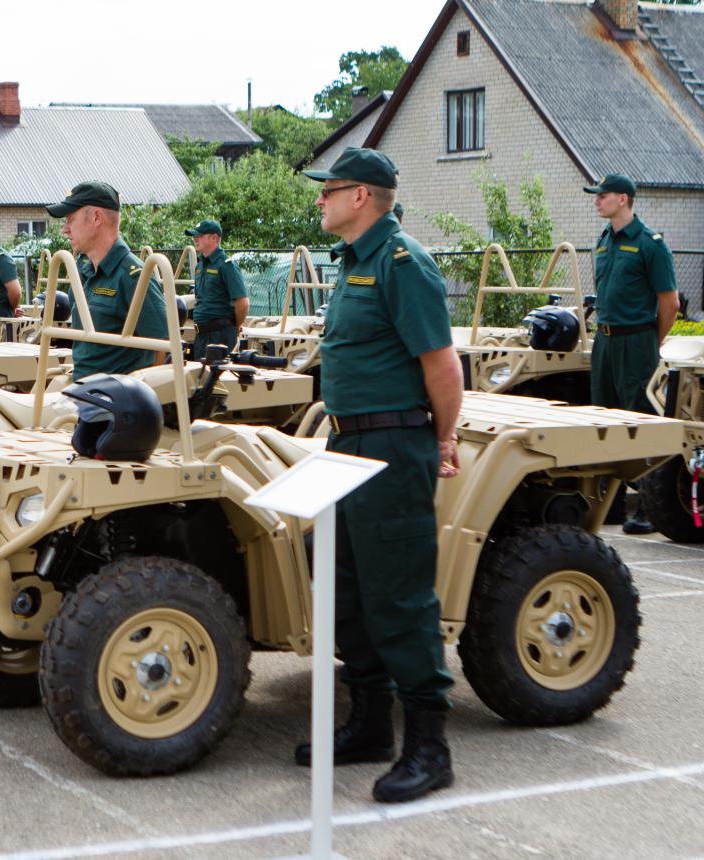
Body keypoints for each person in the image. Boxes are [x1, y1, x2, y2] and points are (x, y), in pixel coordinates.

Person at [299, 146, 461, 804]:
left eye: (328, 191)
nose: (321, 201)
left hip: (393, 446)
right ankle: (370, 723)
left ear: (360, 196)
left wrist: (444, 438)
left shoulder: (401, 263)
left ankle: (430, 743)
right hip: (346, 445)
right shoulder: (352, 264)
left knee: (398, 594)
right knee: (341, 583)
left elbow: (442, 366)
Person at [583, 172, 679, 534]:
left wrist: (651, 341)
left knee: (637, 418)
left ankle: (645, 506)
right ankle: (612, 503)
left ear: (622, 199)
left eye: (602, 195)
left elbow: (669, 302)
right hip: (605, 341)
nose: (597, 200)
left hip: (636, 340)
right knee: (603, 418)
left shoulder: (650, 243)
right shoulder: (604, 240)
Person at [47, 181, 167, 380]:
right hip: (81, 388)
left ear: (96, 218)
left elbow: (162, 346)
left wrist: (135, 394)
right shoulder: (83, 271)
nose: (65, 230)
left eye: (71, 219)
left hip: (114, 399)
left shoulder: (134, 276)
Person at [186, 219, 248, 357]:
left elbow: (242, 302)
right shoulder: (200, 266)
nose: (195, 239)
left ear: (214, 238)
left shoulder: (226, 265)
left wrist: (235, 326)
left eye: (200, 236)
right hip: (202, 335)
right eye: (195, 236)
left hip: (219, 335)